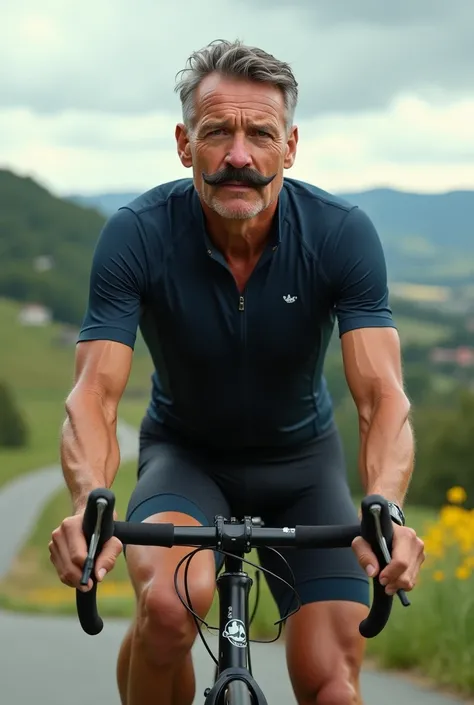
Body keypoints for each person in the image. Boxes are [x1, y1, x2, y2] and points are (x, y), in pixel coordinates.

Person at [49, 39, 425, 705]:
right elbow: (94, 393)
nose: (239, 156)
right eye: (217, 131)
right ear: (184, 143)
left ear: (291, 146)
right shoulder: (138, 233)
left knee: (333, 686)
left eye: (260, 134)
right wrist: (87, 500)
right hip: (185, 459)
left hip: (303, 465)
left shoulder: (340, 233)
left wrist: (386, 505)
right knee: (167, 609)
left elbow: (381, 397)